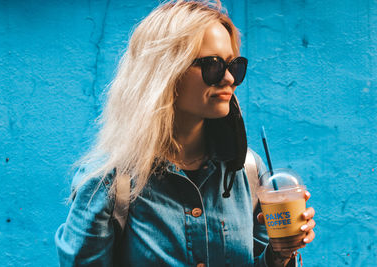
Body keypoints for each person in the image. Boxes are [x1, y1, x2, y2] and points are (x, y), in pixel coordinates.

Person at [55, 1, 316, 266]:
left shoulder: (247, 170)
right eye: (213, 65)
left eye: (233, 66)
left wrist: (280, 255)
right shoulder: (110, 182)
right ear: (166, 72)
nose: (229, 79)